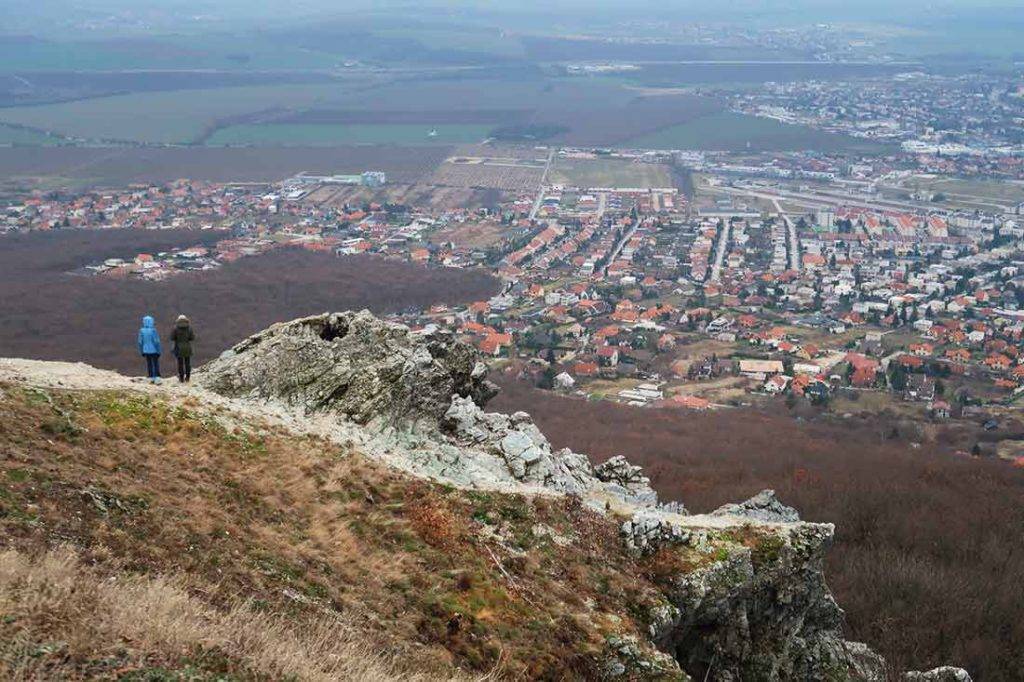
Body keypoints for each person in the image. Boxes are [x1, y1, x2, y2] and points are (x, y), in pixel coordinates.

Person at [169, 314, 196, 383]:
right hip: (187, 347)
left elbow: (172, 338)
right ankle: (188, 377)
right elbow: (192, 338)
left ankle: (181, 378)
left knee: (180, 363)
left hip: (178, 347)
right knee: (187, 363)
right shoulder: (189, 328)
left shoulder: (175, 328)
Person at [137, 315, 162, 384]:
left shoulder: (141, 330)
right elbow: (157, 341)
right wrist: (159, 350)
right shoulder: (153, 330)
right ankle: (157, 377)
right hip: (154, 350)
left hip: (146, 350)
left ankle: (150, 377)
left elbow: (140, 342)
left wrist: (142, 350)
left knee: (149, 363)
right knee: (155, 363)